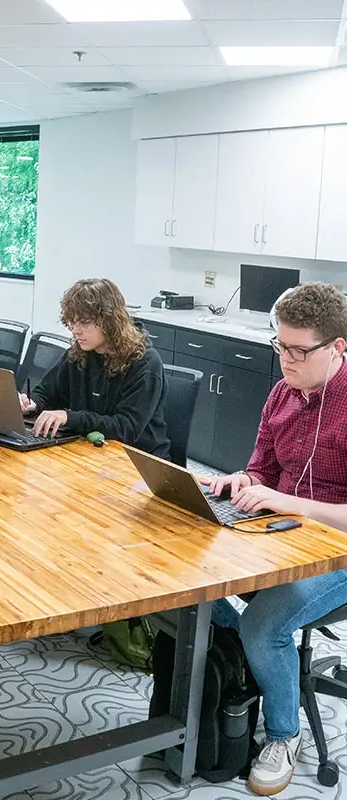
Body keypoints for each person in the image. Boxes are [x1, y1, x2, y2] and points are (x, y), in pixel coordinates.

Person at [203, 282, 347, 796]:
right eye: (278, 345)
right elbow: (260, 468)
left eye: (298, 350)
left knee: (263, 626)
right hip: (277, 531)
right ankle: (245, 671)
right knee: (195, 579)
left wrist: (291, 503)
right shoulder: (282, 393)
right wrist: (243, 481)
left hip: (337, 552)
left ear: (337, 347)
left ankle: (285, 735)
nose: (284, 360)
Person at [19, 278, 170, 454]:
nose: (76, 330)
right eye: (72, 322)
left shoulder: (144, 363)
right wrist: (32, 403)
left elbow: (126, 428)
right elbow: (47, 392)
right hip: (90, 449)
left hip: (137, 459)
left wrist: (69, 417)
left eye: (84, 322)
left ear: (110, 321)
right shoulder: (79, 352)